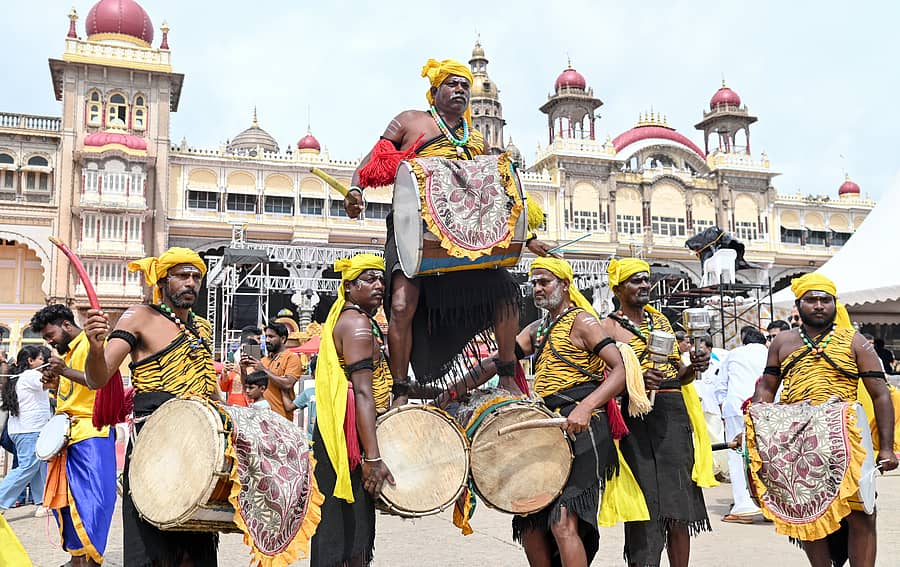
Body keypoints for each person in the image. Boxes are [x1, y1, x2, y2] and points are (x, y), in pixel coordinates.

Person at [344, 57, 552, 402]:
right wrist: (355, 190)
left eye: (464, 86)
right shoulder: (411, 121)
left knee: (506, 291)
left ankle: (505, 373)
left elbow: (496, 196)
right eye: (452, 84)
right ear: (434, 90)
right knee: (400, 304)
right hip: (413, 232)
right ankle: (400, 389)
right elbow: (372, 161)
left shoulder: (476, 141)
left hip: (465, 238)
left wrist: (527, 239)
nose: (460, 90)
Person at [82, 247, 220, 566]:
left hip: (198, 452)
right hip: (154, 450)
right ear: (162, 279)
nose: (191, 283)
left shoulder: (203, 328)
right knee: (153, 551)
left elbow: (208, 387)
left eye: (196, 277)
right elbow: (98, 377)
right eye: (182, 276)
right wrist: (94, 347)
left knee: (195, 551)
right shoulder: (139, 316)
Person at [751, 273, 897, 567]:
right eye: (811, 300)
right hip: (798, 441)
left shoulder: (855, 341)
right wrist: (755, 426)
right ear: (798, 305)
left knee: (861, 510)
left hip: (849, 438)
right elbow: (766, 388)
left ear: (834, 304)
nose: (818, 305)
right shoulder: (782, 342)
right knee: (807, 512)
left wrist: (885, 447)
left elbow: (881, 395)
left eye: (825, 300)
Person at [600, 258, 714, 567]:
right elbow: (603, 383)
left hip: (673, 418)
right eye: (635, 280)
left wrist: (694, 367)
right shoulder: (607, 328)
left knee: (679, 503)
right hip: (634, 422)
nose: (644, 285)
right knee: (644, 503)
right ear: (618, 288)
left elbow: (680, 374)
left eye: (646, 280)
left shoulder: (661, 322)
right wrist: (633, 384)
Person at [310, 254, 394, 567]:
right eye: (369, 279)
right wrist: (372, 459)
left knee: (341, 520)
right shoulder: (358, 324)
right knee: (348, 523)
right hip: (351, 440)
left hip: (345, 433)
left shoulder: (354, 319)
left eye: (381, 279)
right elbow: (362, 391)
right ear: (349, 287)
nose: (379, 286)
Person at [28, 304, 116, 566]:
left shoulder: (94, 345)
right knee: (65, 503)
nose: (50, 342)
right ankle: (77, 556)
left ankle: (91, 558)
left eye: (50, 335)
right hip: (66, 436)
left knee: (94, 501)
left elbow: (98, 380)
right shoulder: (68, 353)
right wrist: (56, 383)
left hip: (92, 433)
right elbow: (73, 395)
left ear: (66, 325)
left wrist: (64, 371)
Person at [714, 326, 767, 523]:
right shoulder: (771, 352)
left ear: (744, 340)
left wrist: (723, 408)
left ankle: (744, 507)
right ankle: (769, 506)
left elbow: (720, 386)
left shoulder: (734, 354)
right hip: (766, 409)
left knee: (738, 457)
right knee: (767, 457)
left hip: (736, 407)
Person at [0, 345, 52, 516]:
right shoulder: (31, 375)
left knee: (38, 466)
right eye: (41, 360)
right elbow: (51, 383)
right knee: (27, 467)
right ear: (31, 361)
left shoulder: (18, 377)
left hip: (22, 430)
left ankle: (42, 501)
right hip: (30, 430)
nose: (43, 363)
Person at [241, 322, 301, 420]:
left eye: (271, 337)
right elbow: (247, 388)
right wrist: (243, 370)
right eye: (266, 337)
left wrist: (263, 370)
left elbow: (288, 384)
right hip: (260, 418)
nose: (267, 340)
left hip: (281, 419)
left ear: (282, 339)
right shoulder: (263, 360)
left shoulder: (292, 358)